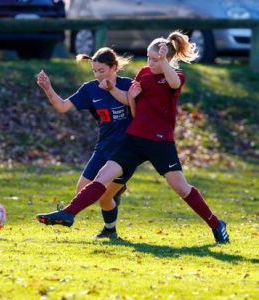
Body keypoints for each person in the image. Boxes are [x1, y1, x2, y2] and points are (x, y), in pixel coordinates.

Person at [36, 31, 230, 244]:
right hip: (134, 139)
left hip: (160, 142)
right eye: (148, 57)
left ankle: (216, 223)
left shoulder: (175, 77)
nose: (150, 63)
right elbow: (127, 101)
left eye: (156, 59)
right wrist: (119, 92)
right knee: (102, 177)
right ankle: (68, 214)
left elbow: (174, 83)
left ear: (168, 59)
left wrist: (163, 61)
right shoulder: (143, 74)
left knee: (182, 189)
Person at [36, 47, 133, 239]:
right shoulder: (89, 89)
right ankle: (110, 231)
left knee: (103, 195)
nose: (97, 75)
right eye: (94, 71)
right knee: (83, 191)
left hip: (125, 151)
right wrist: (48, 88)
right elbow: (62, 107)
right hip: (102, 148)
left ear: (113, 67)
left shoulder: (129, 85)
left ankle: (108, 229)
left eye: (101, 71)